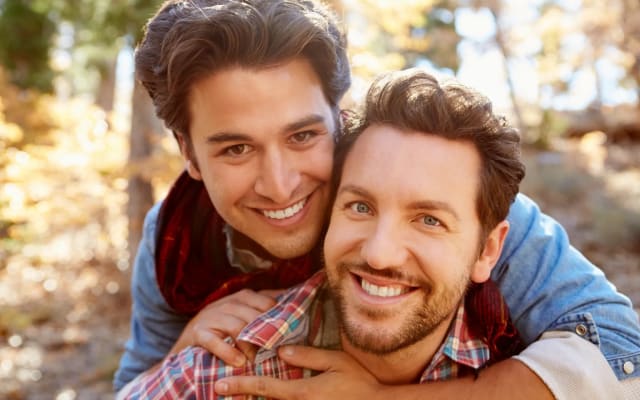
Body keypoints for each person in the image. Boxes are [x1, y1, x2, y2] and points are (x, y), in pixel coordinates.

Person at [114, 0, 640, 396]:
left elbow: (620, 350)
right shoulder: (175, 239)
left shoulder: (439, 193)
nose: (279, 184)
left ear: (337, 116)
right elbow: (135, 383)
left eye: (303, 136)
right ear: (188, 152)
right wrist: (181, 356)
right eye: (235, 148)